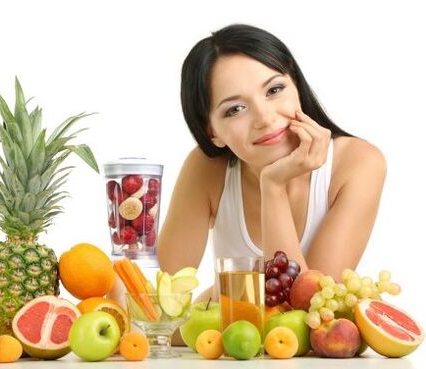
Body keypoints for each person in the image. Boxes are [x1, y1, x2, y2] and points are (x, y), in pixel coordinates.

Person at [157, 24, 387, 305]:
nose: (264, 118)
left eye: (274, 89)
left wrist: (273, 185)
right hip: (238, 347)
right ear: (212, 133)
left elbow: (305, 306)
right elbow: (162, 302)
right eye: (235, 109)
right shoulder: (206, 168)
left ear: (297, 86)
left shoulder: (358, 163)